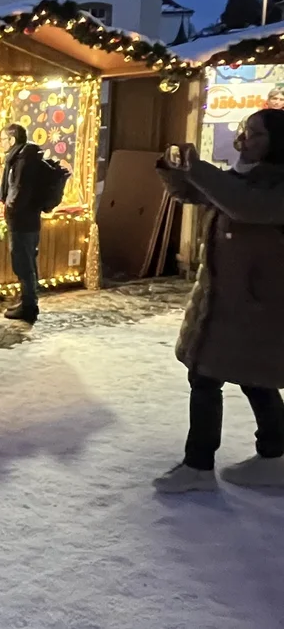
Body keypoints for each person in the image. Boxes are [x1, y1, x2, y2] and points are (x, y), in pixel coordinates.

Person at [153, 109, 284, 493]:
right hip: (228, 304)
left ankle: (199, 465)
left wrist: (199, 168)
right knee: (249, 378)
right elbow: (197, 192)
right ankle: (274, 454)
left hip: (260, 306)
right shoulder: (246, 178)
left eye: (255, 134)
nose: (245, 139)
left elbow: (245, 205)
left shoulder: (273, 186)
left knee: (210, 377)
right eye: (244, 131)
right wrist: (173, 168)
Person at [0, 124, 44, 323]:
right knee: (27, 261)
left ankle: (29, 306)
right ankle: (27, 301)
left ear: (12, 140)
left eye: (2, 139)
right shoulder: (24, 157)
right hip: (29, 218)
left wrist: (9, 209)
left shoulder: (22, 160)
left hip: (22, 220)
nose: (0, 143)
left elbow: (18, 190)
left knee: (23, 263)